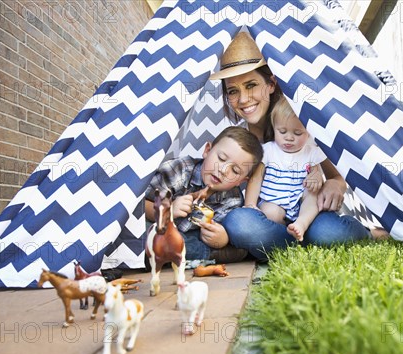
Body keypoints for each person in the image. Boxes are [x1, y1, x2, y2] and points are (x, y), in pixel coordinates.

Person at [210, 32, 385, 260]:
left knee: (329, 232)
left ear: (271, 84)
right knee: (239, 222)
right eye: (233, 91)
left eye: (251, 85)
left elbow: (335, 177)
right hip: (269, 217)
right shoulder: (238, 140)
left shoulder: (299, 124)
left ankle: (362, 234)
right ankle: (294, 243)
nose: (243, 99)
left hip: (309, 213)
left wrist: (335, 184)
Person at [144, 126, 263, 263]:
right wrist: (168, 210)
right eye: (221, 158)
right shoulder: (178, 170)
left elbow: (212, 234)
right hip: (155, 224)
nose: (223, 170)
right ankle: (201, 255)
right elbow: (138, 207)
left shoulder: (233, 201)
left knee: (236, 248)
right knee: (147, 233)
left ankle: (169, 254)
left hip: (190, 237)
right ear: (207, 150)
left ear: (241, 181)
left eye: (235, 171)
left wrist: (222, 239)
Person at [244, 96, 326, 241]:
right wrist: (250, 204)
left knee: (313, 196)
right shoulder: (267, 151)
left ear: (308, 132)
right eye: (282, 132)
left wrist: (316, 176)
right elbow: (256, 179)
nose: (289, 138)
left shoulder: (311, 152)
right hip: (273, 201)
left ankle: (302, 223)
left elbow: (316, 172)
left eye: (297, 133)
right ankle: (285, 235)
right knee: (270, 212)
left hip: (299, 203)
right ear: (274, 128)